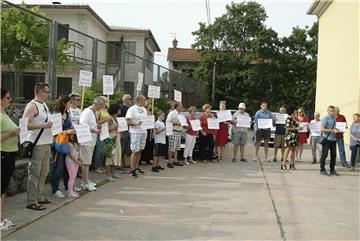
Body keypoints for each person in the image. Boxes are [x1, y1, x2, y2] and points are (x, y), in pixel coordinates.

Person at [22, 83, 53, 210]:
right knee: (35, 172)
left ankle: (39, 196)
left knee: (44, 171)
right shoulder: (32, 106)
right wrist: (42, 126)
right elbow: (24, 124)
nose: (48, 94)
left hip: (46, 142)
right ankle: (32, 200)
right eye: (47, 92)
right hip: (37, 143)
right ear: (40, 91)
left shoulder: (44, 105)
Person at [0, 88, 20, 230]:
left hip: (10, 153)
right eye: (7, 97)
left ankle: (1, 218)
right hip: (3, 154)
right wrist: (12, 134)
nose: (10, 100)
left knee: (3, 188)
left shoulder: (4, 113)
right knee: (1, 188)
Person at [50, 95, 73, 198]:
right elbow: (55, 131)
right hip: (58, 143)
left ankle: (68, 186)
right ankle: (55, 189)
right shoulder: (56, 115)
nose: (71, 104)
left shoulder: (67, 114)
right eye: (70, 102)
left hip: (67, 142)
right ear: (64, 103)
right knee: (58, 166)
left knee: (67, 166)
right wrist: (67, 131)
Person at [79, 97, 103, 190]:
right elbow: (83, 125)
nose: (101, 108)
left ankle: (86, 180)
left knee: (87, 162)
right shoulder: (87, 112)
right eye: (101, 106)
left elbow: (92, 124)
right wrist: (94, 129)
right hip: (86, 141)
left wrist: (96, 128)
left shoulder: (93, 112)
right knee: (86, 163)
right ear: (98, 104)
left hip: (91, 140)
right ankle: (85, 182)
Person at [125, 95, 148, 178]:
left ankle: (136, 166)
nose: (145, 101)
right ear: (139, 100)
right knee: (135, 150)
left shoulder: (144, 109)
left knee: (140, 150)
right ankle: (132, 169)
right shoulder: (132, 109)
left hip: (143, 131)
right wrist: (135, 123)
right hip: (135, 131)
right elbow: (127, 119)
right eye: (144, 100)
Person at [102, 104, 122, 181]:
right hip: (110, 140)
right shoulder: (109, 118)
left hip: (116, 138)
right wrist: (114, 127)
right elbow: (105, 129)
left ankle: (113, 173)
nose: (120, 111)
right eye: (119, 109)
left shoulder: (116, 118)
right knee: (109, 157)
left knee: (115, 157)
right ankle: (108, 175)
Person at [319, 105, 340, 176]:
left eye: (333, 111)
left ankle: (332, 170)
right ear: (328, 111)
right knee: (324, 155)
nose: (332, 112)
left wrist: (337, 130)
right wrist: (332, 130)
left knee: (334, 155)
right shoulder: (325, 118)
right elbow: (322, 129)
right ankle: (322, 170)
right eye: (331, 111)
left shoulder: (334, 118)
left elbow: (333, 128)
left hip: (333, 139)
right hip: (326, 139)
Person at [166, 102, 184, 167]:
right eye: (181, 106)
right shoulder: (172, 113)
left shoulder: (181, 115)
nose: (182, 107)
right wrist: (176, 124)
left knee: (176, 148)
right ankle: (169, 161)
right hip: (173, 131)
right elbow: (167, 122)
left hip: (179, 132)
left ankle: (175, 160)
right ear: (177, 107)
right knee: (171, 147)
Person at [65, 134, 83, 198]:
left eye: (73, 135)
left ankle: (71, 190)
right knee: (72, 176)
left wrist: (80, 160)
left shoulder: (77, 143)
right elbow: (71, 156)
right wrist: (78, 162)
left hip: (75, 161)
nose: (72, 136)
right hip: (70, 161)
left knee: (74, 176)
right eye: (70, 135)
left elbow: (78, 153)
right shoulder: (69, 144)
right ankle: (70, 192)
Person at [119, 94, 132, 169]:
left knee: (127, 147)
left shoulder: (130, 108)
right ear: (125, 100)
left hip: (129, 129)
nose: (131, 101)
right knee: (122, 146)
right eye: (130, 99)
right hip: (122, 129)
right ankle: (120, 164)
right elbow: (119, 118)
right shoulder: (121, 107)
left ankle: (126, 163)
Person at [140, 99, 154, 165]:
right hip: (144, 128)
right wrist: (148, 109)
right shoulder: (143, 110)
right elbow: (146, 116)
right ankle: (142, 159)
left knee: (149, 144)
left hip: (149, 129)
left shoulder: (150, 110)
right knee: (144, 145)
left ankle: (148, 158)